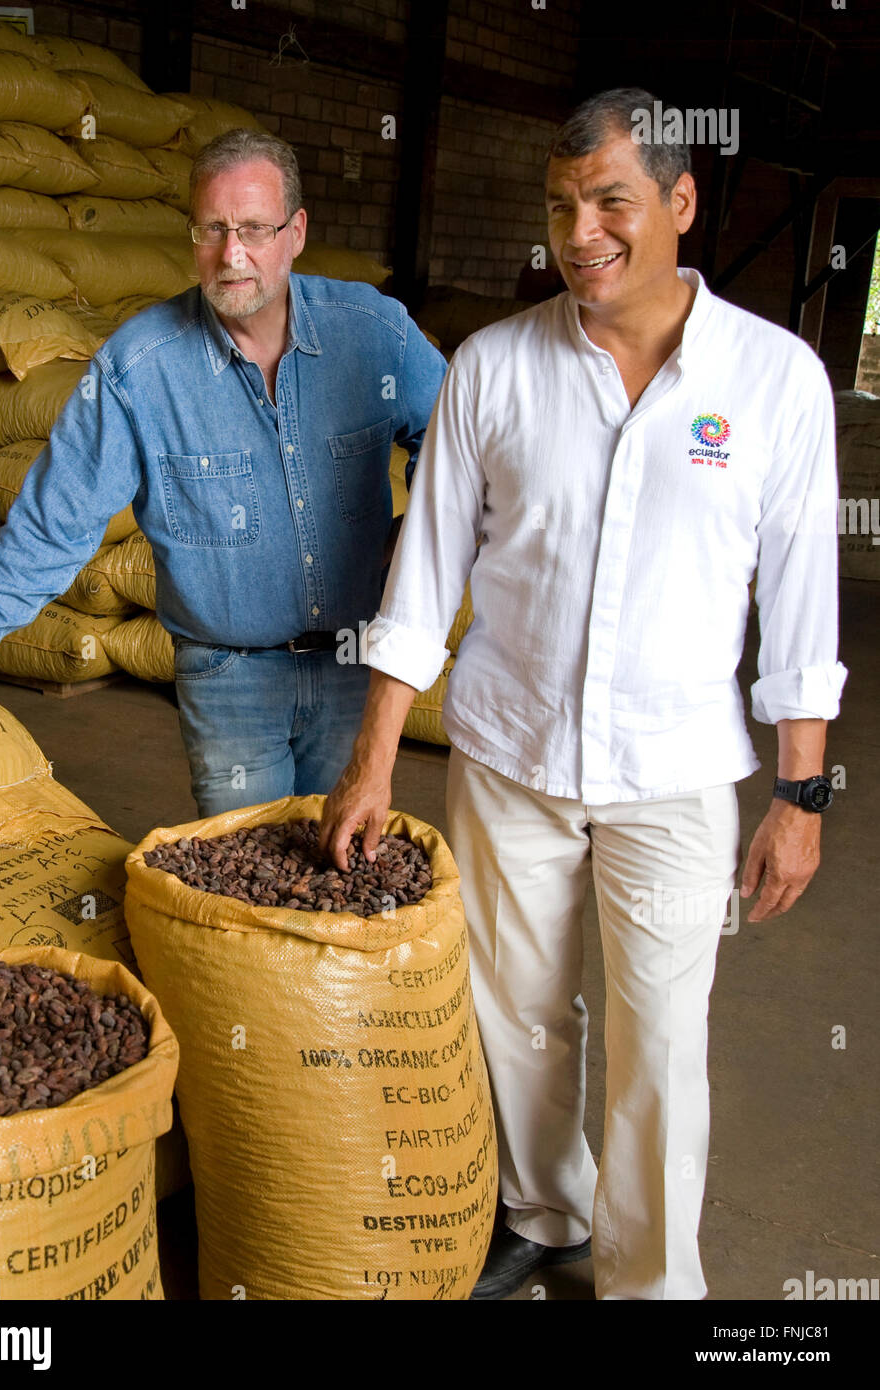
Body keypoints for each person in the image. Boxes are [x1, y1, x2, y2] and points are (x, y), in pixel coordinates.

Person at [319, 87, 847, 1301]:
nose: (580, 232)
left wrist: (800, 791)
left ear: (678, 201)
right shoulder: (495, 369)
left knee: (660, 1041)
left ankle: (651, 1281)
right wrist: (371, 761)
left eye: (610, 200)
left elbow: (803, 604)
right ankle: (544, 1211)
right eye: (560, 206)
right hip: (508, 756)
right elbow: (425, 576)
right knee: (514, 1014)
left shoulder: (773, 381)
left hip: (671, 773)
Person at [0, 130, 446, 816]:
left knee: (339, 872)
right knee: (240, 881)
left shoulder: (373, 332)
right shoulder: (142, 367)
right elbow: (58, 519)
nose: (233, 254)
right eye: (212, 230)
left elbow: (464, 449)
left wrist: (411, 542)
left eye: (254, 228)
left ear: (297, 231)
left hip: (355, 664)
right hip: (228, 677)